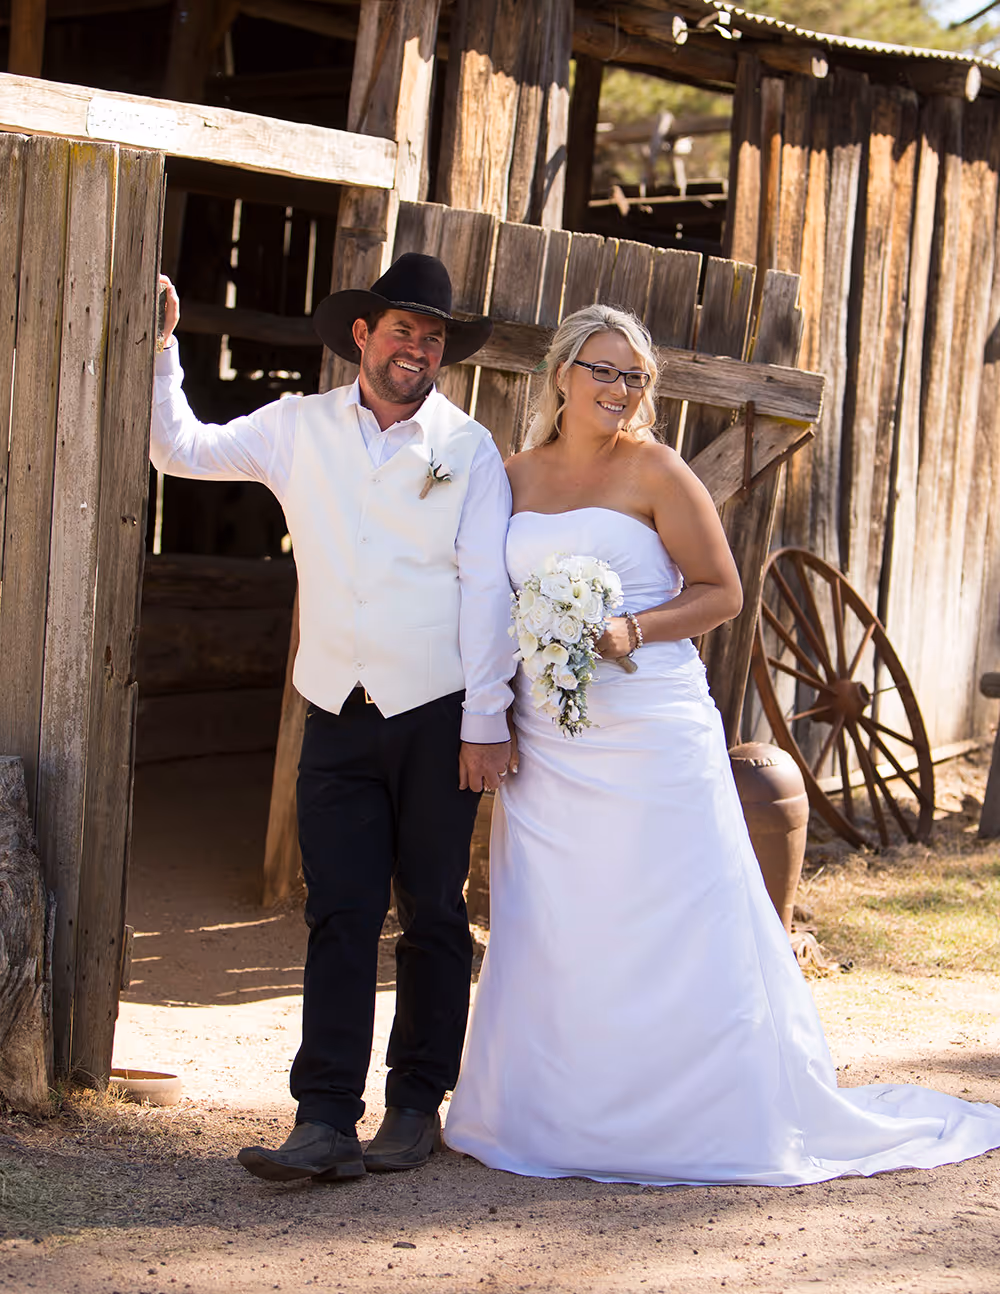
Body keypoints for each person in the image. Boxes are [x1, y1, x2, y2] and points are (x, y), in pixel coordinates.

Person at [443, 303, 1000, 1185]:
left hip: (652, 729)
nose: (620, 390)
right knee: (555, 917)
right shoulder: (510, 477)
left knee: (668, 910)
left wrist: (634, 629)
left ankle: (694, 1111)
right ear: (561, 374)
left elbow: (723, 592)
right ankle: (557, 1110)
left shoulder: (658, 471)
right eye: (604, 370)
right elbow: (481, 597)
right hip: (551, 740)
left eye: (635, 377)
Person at [150, 254, 516, 1182]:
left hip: (436, 713)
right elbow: (178, 451)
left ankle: (413, 1104)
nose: (418, 350)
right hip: (336, 712)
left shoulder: (468, 449)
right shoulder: (296, 426)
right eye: (403, 331)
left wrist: (485, 718)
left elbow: (486, 592)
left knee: (431, 911)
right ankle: (322, 1118)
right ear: (363, 334)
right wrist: (162, 352)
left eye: (434, 338)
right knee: (338, 911)